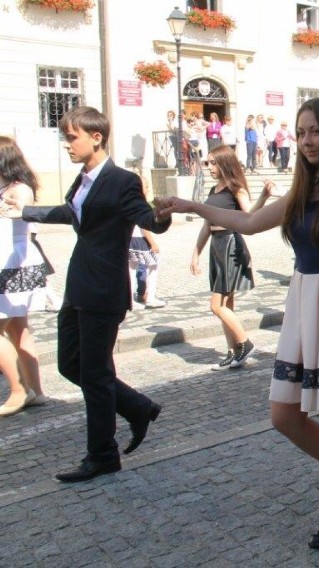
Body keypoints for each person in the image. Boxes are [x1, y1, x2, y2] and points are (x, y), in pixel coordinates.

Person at [155, 96, 319, 550]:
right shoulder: (303, 190)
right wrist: (192, 205)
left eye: (315, 131)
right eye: (300, 133)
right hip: (305, 303)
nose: (306, 141)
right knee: (285, 416)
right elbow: (248, 220)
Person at [1, 107, 170, 481]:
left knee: (94, 372)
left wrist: (164, 214)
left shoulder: (122, 180)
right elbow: (72, 213)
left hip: (104, 288)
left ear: (96, 137)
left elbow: (146, 217)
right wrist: (26, 210)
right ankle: (138, 407)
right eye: (65, 137)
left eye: (72, 137)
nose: (67, 145)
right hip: (79, 283)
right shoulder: (83, 179)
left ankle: (102, 454)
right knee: (69, 365)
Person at [190, 144, 268, 370]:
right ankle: (233, 352)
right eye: (208, 162)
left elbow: (250, 216)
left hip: (230, 245)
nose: (209, 167)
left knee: (217, 305)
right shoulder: (214, 190)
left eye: (213, 162)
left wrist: (263, 197)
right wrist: (195, 253)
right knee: (227, 305)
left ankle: (245, 343)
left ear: (224, 163)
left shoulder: (236, 189)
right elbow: (206, 226)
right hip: (216, 245)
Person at [0, 137, 49, 417]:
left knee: (14, 327)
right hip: (9, 260)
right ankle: (34, 390)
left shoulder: (20, 188)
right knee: (18, 329)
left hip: (13, 262)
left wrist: (9, 207)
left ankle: (20, 389)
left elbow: (23, 213)